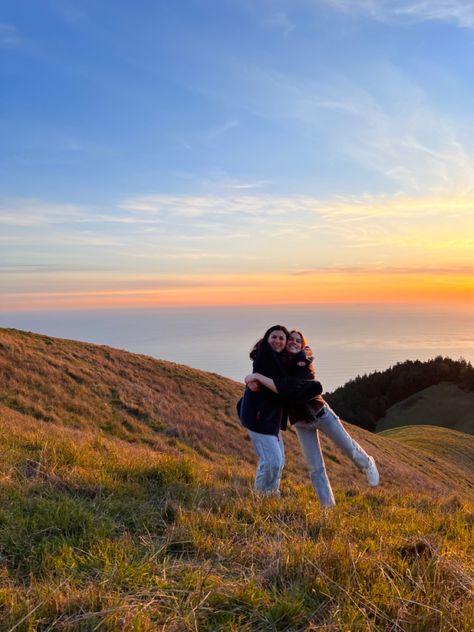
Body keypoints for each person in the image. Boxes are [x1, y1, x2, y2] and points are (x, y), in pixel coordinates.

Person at [245, 329, 379, 508]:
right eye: (290, 340)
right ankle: (327, 506)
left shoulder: (303, 361)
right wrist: (250, 378)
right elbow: (273, 376)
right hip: (301, 423)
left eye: (297, 341)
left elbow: (294, 388)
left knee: (348, 447)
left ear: (302, 345)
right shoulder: (281, 364)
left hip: (321, 415)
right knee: (315, 467)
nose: (293, 342)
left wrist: (262, 378)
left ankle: (368, 463)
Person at [237, 325, 290, 496]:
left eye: (281, 338)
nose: (277, 341)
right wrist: (254, 378)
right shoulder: (264, 358)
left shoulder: (282, 359)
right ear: (267, 339)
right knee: (272, 461)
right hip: (258, 418)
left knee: (278, 461)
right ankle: (261, 496)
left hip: (271, 418)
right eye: (274, 337)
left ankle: (272, 493)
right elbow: (280, 388)